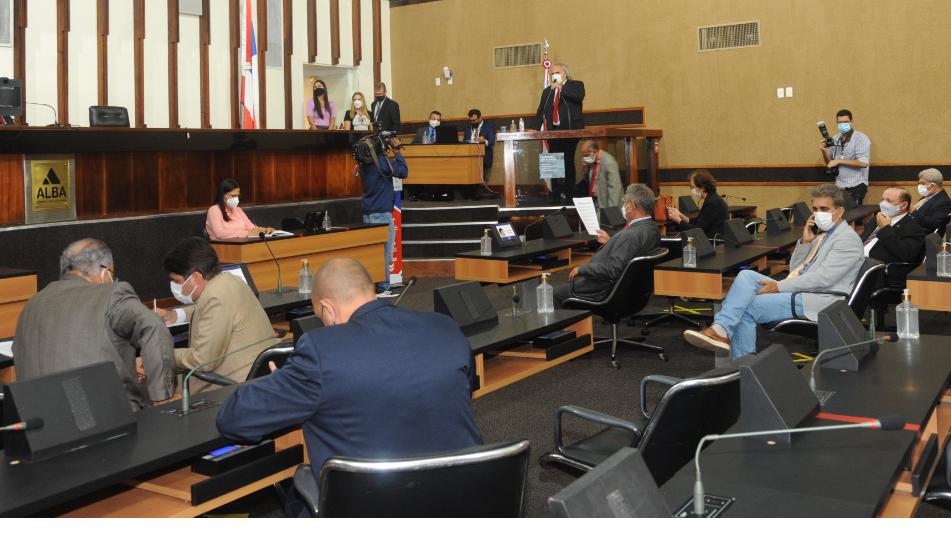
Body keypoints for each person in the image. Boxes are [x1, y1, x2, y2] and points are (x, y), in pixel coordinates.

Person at [216, 258, 482, 479]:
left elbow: (233, 419)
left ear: (327, 309)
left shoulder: (322, 351)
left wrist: (282, 386)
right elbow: (461, 387)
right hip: (466, 500)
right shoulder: (444, 327)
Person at [683, 185, 865, 360]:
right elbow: (796, 270)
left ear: (839, 212)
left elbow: (824, 279)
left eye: (824, 209)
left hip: (819, 299)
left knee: (747, 307)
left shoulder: (846, 240)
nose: (818, 214)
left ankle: (741, 367)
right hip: (805, 290)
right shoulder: (824, 235)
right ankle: (721, 329)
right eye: (815, 208)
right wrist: (805, 243)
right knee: (746, 276)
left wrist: (779, 286)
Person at [14, 239, 176, 410]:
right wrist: (161, 396)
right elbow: (153, 325)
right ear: (104, 271)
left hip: (38, 423)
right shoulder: (112, 294)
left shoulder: (33, 303)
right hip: (103, 418)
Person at [154, 237, 279, 393]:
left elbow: (202, 361)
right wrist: (173, 315)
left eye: (176, 281)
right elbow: (205, 309)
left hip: (232, 385)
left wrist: (161, 354)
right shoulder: (228, 281)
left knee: (152, 386)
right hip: (259, 375)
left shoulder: (215, 297)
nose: (174, 287)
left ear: (195, 277)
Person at [554, 184, 660, 308]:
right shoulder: (652, 227)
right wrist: (611, 242)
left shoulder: (630, 235)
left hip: (603, 290)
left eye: (625, 202)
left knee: (554, 294)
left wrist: (582, 269)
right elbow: (630, 251)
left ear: (631, 205)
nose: (624, 206)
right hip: (632, 290)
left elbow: (612, 269)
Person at [359, 136, 407, 297]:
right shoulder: (383, 162)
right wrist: (398, 151)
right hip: (380, 214)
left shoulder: (363, 164)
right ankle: (382, 287)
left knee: (373, 254)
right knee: (384, 253)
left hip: (369, 212)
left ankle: (375, 286)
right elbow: (403, 172)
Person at [534, 64, 585, 201]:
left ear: (565, 74)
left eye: (557, 72)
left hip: (570, 131)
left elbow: (578, 96)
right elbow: (541, 111)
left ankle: (569, 194)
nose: (554, 75)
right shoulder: (548, 91)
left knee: (567, 161)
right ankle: (555, 194)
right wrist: (533, 129)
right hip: (553, 132)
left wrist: (561, 87)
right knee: (554, 162)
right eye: (552, 74)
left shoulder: (576, 85)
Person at [861, 187, 928, 287]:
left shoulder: (913, 228)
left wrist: (885, 229)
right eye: (882, 199)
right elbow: (864, 240)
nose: (883, 204)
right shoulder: (878, 218)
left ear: (903, 205)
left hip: (879, 272)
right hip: (859, 260)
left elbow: (906, 255)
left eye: (889, 201)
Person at [819, 109, 871, 208]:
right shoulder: (835, 138)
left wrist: (839, 161)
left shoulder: (861, 138)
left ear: (851, 122)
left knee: (854, 216)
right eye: (840, 122)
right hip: (839, 185)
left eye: (846, 122)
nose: (843, 124)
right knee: (840, 216)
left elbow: (863, 163)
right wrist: (823, 151)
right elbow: (830, 163)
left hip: (857, 184)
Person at [665, 169, 728, 240]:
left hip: (712, 243)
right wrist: (682, 216)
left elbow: (698, 231)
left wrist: (678, 220)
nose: (692, 190)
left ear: (702, 187)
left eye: (693, 187)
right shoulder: (712, 198)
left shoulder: (712, 202)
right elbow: (699, 223)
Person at [205, 178, 274, 240]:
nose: (236, 198)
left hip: (242, 245)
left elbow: (251, 228)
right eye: (233, 196)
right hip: (224, 248)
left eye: (237, 195)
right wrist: (246, 233)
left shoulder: (238, 210)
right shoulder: (214, 210)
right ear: (223, 195)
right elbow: (220, 233)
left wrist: (264, 230)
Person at [580, 139, 623, 209]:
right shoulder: (592, 161)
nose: (585, 158)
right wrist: (585, 169)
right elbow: (589, 182)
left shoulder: (609, 162)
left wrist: (612, 210)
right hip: (595, 201)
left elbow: (615, 188)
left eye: (586, 155)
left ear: (594, 151)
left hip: (608, 204)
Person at [910, 168, 951, 235]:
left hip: (924, 238)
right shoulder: (926, 197)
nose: (919, 186)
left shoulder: (944, 202)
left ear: (932, 185)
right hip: (914, 232)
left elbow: (933, 224)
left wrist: (915, 211)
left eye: (922, 183)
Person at [463, 108, 496, 184]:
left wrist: (484, 140)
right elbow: (465, 141)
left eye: (474, 120)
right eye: (470, 121)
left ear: (480, 118)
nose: (472, 122)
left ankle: (476, 192)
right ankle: (471, 193)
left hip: (484, 157)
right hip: (470, 157)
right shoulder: (468, 126)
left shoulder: (488, 126)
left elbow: (491, 141)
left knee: (480, 179)